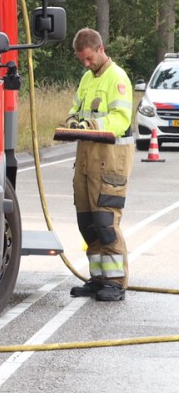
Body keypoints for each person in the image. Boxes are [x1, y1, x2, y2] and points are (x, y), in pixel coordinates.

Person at [64, 27, 134, 301]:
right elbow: (76, 108)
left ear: (101, 49)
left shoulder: (117, 78)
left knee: (106, 221)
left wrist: (92, 125)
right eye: (82, 59)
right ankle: (98, 278)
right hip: (86, 159)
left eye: (90, 58)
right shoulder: (87, 78)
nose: (87, 63)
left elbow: (121, 119)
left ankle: (115, 282)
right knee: (88, 222)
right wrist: (71, 120)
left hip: (110, 160)